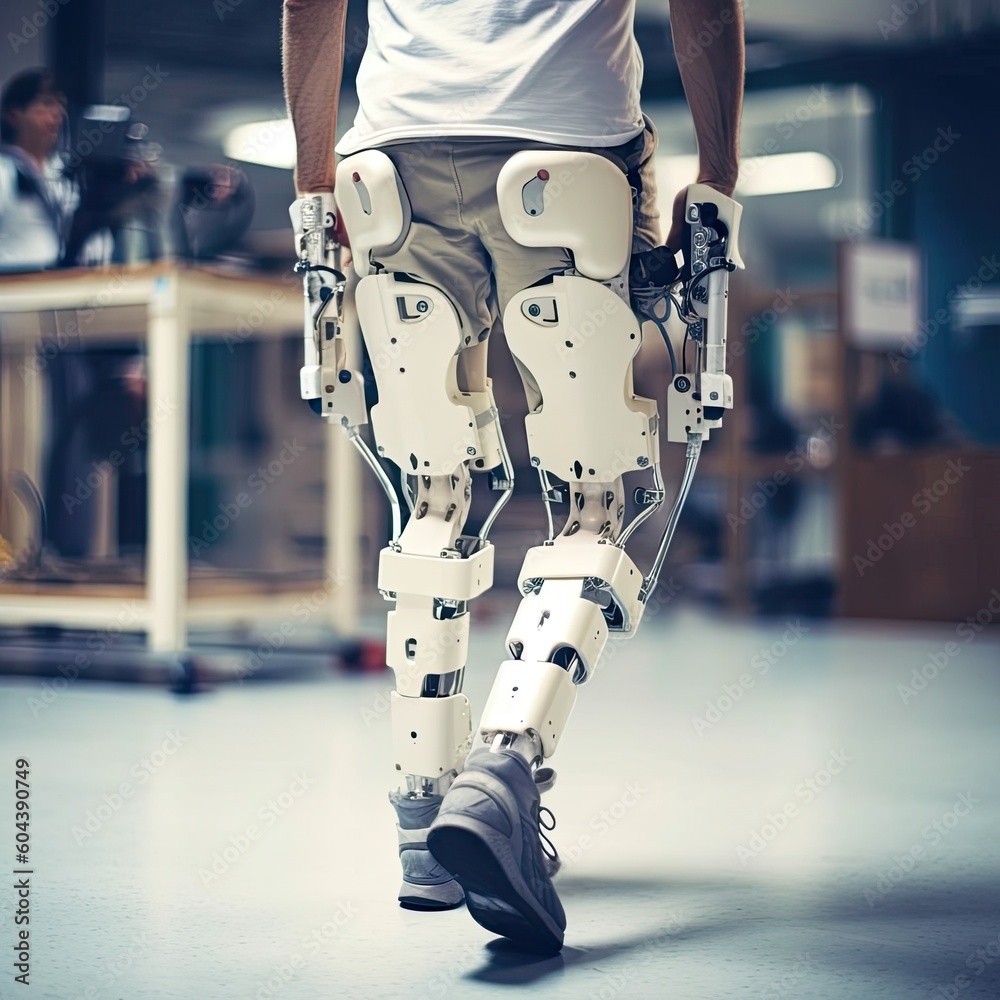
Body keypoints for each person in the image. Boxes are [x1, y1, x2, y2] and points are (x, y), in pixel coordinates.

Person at [282, 0, 744, 953]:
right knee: (591, 501)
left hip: (392, 160)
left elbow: (306, 6)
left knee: (434, 493)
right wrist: (721, 179)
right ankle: (504, 765)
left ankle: (421, 818)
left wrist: (311, 190)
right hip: (567, 142)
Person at [0, 68, 77, 272]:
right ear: (14, 114)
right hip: (14, 287)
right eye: (46, 103)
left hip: (68, 283)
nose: (57, 113)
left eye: (61, 104)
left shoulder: (66, 172)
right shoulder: (3, 171)